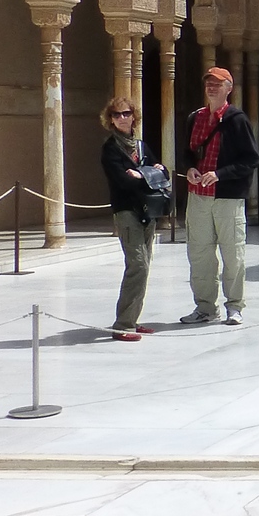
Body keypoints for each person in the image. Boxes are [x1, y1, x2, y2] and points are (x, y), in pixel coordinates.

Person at [180, 67, 258, 326]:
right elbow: (188, 152)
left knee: (232, 254)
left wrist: (221, 174)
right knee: (199, 254)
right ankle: (205, 308)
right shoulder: (195, 118)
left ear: (229, 88)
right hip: (198, 196)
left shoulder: (237, 119)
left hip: (227, 198)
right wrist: (190, 168)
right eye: (209, 84)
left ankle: (234, 307)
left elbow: (250, 159)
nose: (212, 88)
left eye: (218, 84)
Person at [99, 97, 163, 341]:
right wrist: (147, 174)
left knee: (144, 266)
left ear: (133, 116)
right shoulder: (110, 149)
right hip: (126, 211)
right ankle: (123, 324)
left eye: (126, 113)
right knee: (137, 264)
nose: (122, 118)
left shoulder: (140, 145)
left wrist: (142, 173)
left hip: (147, 211)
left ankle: (133, 320)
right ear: (110, 119)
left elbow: (162, 170)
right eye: (116, 115)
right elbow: (122, 180)